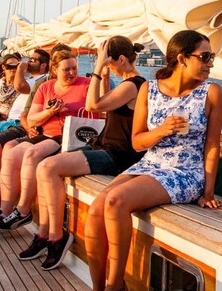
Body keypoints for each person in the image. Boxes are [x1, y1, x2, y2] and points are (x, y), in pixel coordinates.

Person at [83, 30, 222, 291]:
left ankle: (114, 287)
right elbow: (137, 142)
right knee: (97, 209)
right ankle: (98, 290)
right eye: (205, 56)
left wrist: (208, 191)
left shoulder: (211, 93)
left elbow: (212, 145)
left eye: (211, 56)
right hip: (150, 163)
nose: (211, 63)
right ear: (182, 59)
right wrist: (163, 130)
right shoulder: (149, 88)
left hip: (185, 172)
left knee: (117, 201)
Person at [19, 36, 147, 271]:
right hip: (104, 146)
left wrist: (97, 68)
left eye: (109, 63)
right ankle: (45, 233)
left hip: (117, 154)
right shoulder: (128, 84)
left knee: (48, 167)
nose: (107, 67)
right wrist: (103, 72)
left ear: (120, 59)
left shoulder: (134, 85)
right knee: (45, 167)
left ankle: (57, 237)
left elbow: (92, 106)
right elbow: (98, 103)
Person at [0, 49, 89, 230]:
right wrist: (50, 112)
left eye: (74, 68)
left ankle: (23, 211)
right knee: (10, 154)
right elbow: (32, 119)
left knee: (32, 154)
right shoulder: (45, 87)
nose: (72, 73)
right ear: (55, 69)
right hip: (46, 134)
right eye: (67, 70)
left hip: (69, 136)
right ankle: (4, 210)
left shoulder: (87, 85)